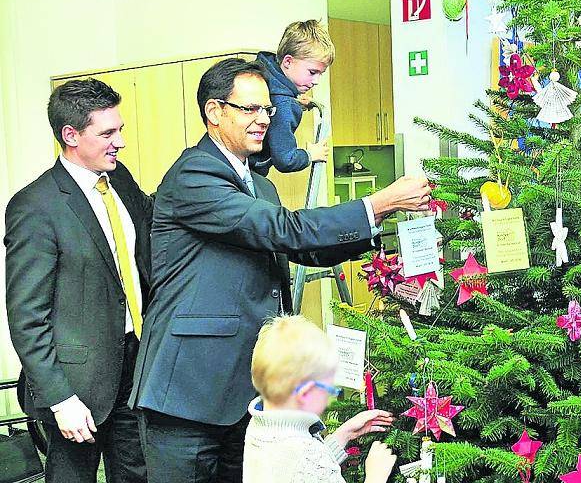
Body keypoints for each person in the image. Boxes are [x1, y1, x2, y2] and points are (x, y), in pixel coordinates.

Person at [130, 57, 431, 482]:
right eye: (250, 109)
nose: (263, 120)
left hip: (246, 390)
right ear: (214, 112)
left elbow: (300, 247)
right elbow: (283, 229)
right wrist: (374, 204)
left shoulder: (261, 185)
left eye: (268, 109)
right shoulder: (193, 175)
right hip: (189, 390)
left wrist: (376, 224)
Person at [5, 78, 150, 482]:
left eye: (120, 129)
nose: (120, 142)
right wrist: (60, 399)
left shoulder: (120, 180)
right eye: (107, 133)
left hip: (134, 366)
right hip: (76, 385)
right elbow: (27, 318)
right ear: (70, 135)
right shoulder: (35, 206)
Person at [244, 315, 397, 483]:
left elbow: (300, 473)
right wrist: (375, 476)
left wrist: (344, 434)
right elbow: (308, 464)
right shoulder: (306, 454)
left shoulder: (259, 426)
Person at [250, 19, 333, 175]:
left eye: (320, 74)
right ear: (288, 61)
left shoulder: (259, 72)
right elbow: (285, 160)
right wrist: (310, 155)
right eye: (312, 72)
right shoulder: (284, 105)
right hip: (250, 175)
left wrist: (294, 100)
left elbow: (273, 100)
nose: (316, 81)